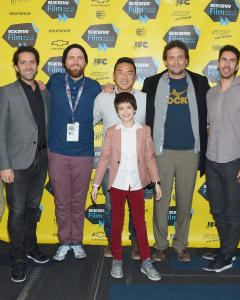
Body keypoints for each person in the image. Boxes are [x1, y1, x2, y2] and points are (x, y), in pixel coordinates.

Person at [142, 40, 210, 262]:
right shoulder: (151, 83)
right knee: (161, 202)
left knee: (185, 201)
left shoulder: (200, 83)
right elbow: (134, 106)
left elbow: (216, 104)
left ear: (187, 60)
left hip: (190, 152)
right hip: (160, 152)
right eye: (171, 57)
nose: (176, 61)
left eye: (180, 57)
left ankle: (180, 244)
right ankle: (160, 245)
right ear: (165, 60)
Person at [91, 92, 162, 281]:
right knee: (117, 222)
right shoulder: (112, 132)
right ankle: (117, 258)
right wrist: (96, 183)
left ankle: (146, 261)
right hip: (117, 183)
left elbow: (149, 158)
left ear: (135, 109)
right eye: (121, 108)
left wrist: (156, 182)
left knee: (140, 223)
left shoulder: (144, 130)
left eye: (128, 107)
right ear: (117, 111)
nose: (125, 111)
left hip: (137, 183)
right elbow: (105, 158)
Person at [202, 45, 240, 272]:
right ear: (218, 63)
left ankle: (226, 255)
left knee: (233, 211)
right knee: (216, 209)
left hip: (235, 161)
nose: (227, 64)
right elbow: (209, 122)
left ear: (237, 65)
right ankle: (228, 248)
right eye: (223, 59)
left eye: (232, 61)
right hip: (211, 160)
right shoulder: (210, 93)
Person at [0, 46, 51, 282]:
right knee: (18, 211)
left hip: (41, 159)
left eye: (32, 62)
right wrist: (4, 165)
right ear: (16, 66)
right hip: (16, 164)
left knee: (32, 208)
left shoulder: (44, 92)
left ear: (37, 65)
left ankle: (31, 248)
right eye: (23, 62)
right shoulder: (6, 93)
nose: (28, 66)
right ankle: (18, 259)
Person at [47, 44, 101, 261]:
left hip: (83, 153)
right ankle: (64, 241)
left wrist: (108, 88)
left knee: (78, 201)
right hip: (57, 152)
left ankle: (76, 241)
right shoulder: (54, 82)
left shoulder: (95, 87)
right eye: (71, 58)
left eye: (80, 58)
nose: (75, 61)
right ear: (64, 62)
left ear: (85, 62)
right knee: (61, 201)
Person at [93, 57, 146, 259]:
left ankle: (136, 243)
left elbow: (149, 131)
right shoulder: (102, 98)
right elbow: (88, 122)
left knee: (136, 208)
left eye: (129, 72)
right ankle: (111, 241)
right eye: (120, 72)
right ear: (114, 75)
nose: (124, 77)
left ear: (135, 76)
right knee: (109, 206)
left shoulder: (144, 98)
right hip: (111, 167)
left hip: (136, 167)